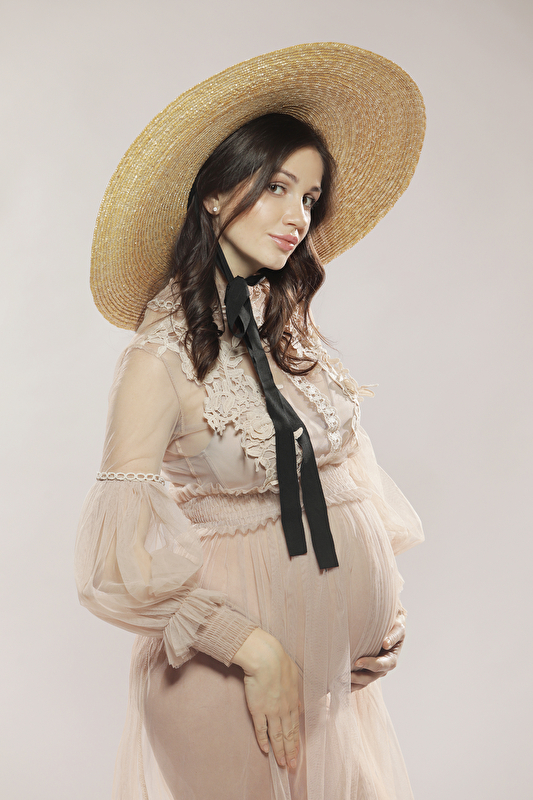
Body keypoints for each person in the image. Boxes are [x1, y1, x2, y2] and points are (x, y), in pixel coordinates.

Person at [75, 43, 425, 800]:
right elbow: (112, 565)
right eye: (276, 187)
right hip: (229, 684)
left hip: (337, 680)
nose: (298, 216)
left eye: (310, 197)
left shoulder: (288, 332)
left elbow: (348, 479)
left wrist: (381, 611)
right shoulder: (159, 357)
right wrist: (253, 648)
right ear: (213, 194)